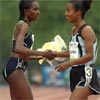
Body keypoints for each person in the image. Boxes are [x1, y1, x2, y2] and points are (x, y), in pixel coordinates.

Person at [2, 0, 54, 100]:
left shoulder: (24, 26)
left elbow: (21, 53)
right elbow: (18, 48)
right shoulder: (23, 25)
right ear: (25, 11)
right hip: (16, 67)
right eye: (35, 9)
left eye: (38, 9)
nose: (38, 12)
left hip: (13, 66)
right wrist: (43, 53)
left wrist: (41, 56)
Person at [51, 0, 100, 100]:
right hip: (75, 72)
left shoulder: (86, 30)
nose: (66, 14)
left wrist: (68, 64)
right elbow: (73, 53)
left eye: (68, 11)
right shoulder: (74, 30)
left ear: (78, 12)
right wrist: (54, 54)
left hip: (86, 72)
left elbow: (90, 56)